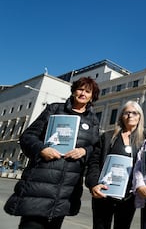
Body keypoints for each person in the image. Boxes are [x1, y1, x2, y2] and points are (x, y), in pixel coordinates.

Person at [4, 77, 100, 229]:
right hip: (39, 185)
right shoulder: (54, 109)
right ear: (74, 91)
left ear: (92, 96)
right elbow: (28, 136)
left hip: (66, 191)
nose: (83, 93)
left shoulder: (93, 121)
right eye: (80, 89)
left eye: (88, 91)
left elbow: (94, 149)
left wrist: (84, 151)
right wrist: (42, 149)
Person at [85, 100, 145, 229]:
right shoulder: (107, 137)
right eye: (126, 113)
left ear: (140, 117)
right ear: (121, 116)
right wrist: (93, 184)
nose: (130, 116)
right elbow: (94, 162)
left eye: (134, 113)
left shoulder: (144, 141)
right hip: (104, 193)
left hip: (128, 197)